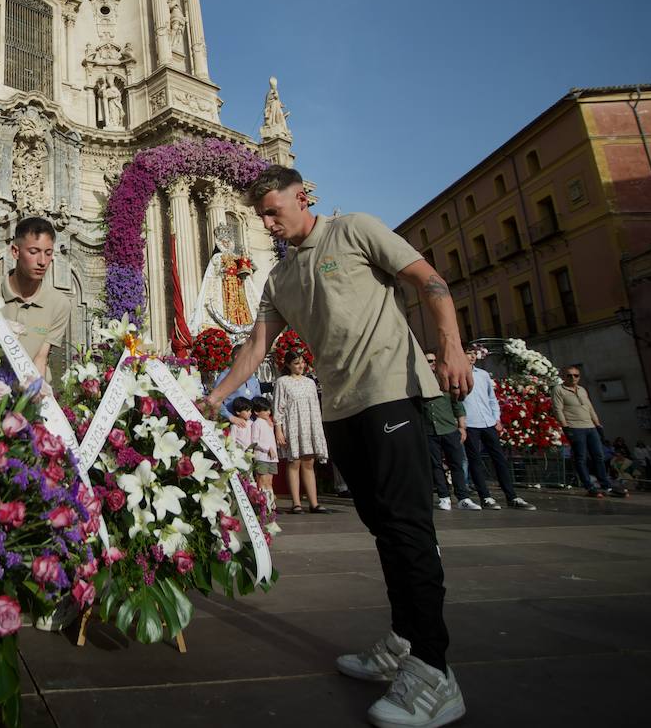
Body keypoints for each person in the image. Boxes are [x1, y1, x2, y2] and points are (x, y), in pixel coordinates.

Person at [200, 166, 467, 728]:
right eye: (262, 216)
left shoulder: (356, 230)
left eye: (275, 211)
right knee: (382, 526)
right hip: (341, 406)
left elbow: (431, 282)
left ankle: (435, 672)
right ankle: (403, 639)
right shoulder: (278, 280)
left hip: (393, 392)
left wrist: (451, 348)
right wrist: (215, 395)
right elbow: (255, 347)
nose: (268, 223)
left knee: (407, 527)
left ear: (304, 198)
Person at [460, 347, 536, 510]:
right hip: (470, 423)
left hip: (488, 422)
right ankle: (485, 497)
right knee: (475, 460)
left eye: (474, 354)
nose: (472, 357)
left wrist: (496, 418)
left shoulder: (483, 374)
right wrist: (460, 423)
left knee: (499, 459)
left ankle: (512, 496)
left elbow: (491, 398)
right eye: (469, 353)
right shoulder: (458, 374)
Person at [0, 217, 70, 380]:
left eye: (48, 253)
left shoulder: (59, 304)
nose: (42, 262)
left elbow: (41, 357)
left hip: (30, 391)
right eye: (33, 252)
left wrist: (36, 396)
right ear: (15, 252)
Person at [551, 365, 627, 497]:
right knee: (581, 458)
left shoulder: (582, 390)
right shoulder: (559, 389)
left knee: (599, 456)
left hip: (590, 426)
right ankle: (589, 486)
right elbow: (558, 409)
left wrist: (598, 425)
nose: (573, 378)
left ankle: (606, 485)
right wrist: (565, 427)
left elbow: (590, 407)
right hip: (574, 426)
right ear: (563, 377)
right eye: (569, 375)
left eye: (576, 375)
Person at [273, 354, 330, 514]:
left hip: (310, 425)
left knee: (309, 463)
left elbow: (315, 406)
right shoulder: (282, 382)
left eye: (302, 363)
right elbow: (278, 407)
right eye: (296, 363)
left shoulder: (310, 382)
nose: (300, 366)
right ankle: (296, 503)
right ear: (289, 365)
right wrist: (279, 429)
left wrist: (317, 429)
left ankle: (314, 502)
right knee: (294, 462)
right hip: (293, 425)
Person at [422, 352, 476, 511]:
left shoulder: (445, 380)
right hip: (430, 430)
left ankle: (463, 497)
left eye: (433, 361)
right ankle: (443, 497)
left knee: (456, 463)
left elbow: (457, 404)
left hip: (449, 428)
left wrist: (462, 427)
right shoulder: (419, 382)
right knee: (435, 465)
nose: (431, 364)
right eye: (427, 361)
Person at [248, 396, 283, 506]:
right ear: (257, 412)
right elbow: (255, 441)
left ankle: (270, 504)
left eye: (269, 410)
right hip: (262, 457)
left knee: (269, 482)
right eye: (265, 410)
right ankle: (263, 504)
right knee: (262, 481)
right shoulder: (256, 424)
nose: (268, 412)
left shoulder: (268, 423)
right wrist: (267, 449)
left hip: (271, 458)